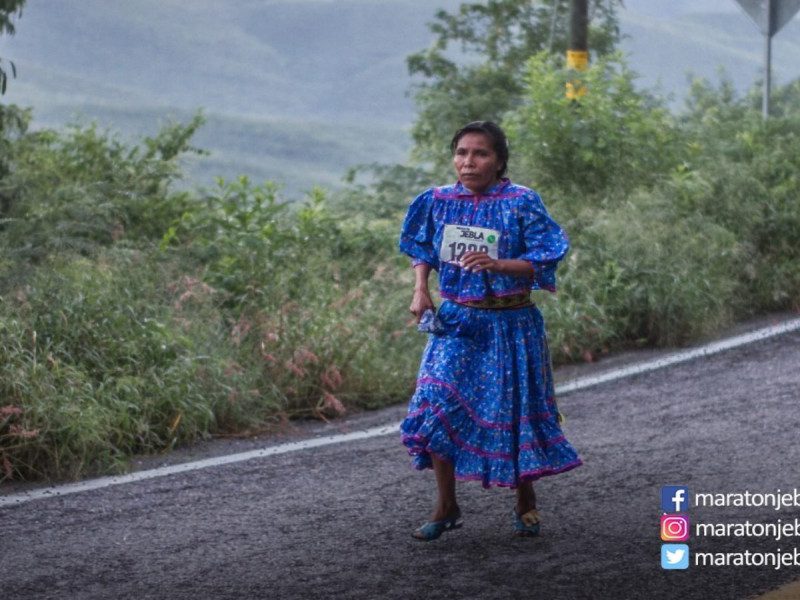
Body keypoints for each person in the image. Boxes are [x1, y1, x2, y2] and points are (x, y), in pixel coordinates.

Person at [398, 121, 582, 541]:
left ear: (499, 160)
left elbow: (547, 256)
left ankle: (525, 501)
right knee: (435, 405)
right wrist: (421, 289)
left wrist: (498, 264)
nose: (468, 162)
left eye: (480, 154)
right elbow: (422, 248)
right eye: (461, 153)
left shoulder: (521, 202)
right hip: (457, 321)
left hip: (510, 323)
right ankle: (446, 507)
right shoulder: (437, 201)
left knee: (509, 410)